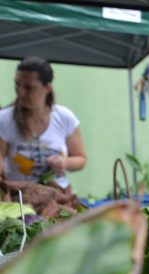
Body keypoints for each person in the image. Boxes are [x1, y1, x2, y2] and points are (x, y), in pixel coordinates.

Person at [0, 57, 86, 189]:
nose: (21, 92)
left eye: (29, 88)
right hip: (19, 196)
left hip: (58, 195)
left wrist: (65, 162)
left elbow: (81, 159)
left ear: (47, 88)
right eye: (17, 84)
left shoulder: (64, 117)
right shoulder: (5, 119)